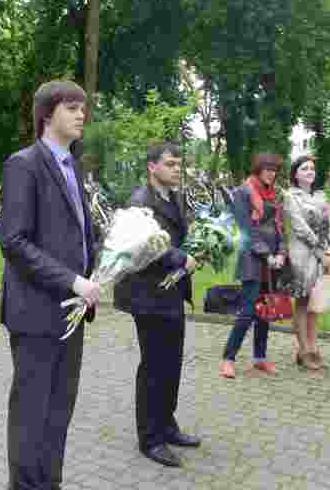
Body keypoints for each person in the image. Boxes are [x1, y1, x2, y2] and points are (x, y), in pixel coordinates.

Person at [0, 79, 99, 490]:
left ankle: (49, 483)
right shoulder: (24, 164)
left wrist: (103, 266)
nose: (81, 114)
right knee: (31, 414)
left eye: (82, 108)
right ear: (46, 114)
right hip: (36, 312)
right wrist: (73, 280)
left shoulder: (74, 166)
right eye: (71, 107)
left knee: (59, 411)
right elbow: (13, 241)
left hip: (71, 314)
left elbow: (76, 233)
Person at [112, 142, 201, 468]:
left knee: (171, 363)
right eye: (170, 164)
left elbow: (177, 237)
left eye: (179, 164)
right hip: (147, 295)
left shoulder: (172, 197)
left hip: (171, 292)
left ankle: (167, 424)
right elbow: (147, 244)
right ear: (152, 167)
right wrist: (181, 258)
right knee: (154, 367)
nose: (177, 169)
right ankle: (150, 438)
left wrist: (200, 247)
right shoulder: (140, 202)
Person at [219, 153, 286, 378]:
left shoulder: (274, 193)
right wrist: (267, 255)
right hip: (252, 258)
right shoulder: (243, 192)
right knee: (247, 311)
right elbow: (246, 229)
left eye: (274, 170)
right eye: (268, 169)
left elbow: (279, 226)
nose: (271, 174)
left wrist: (281, 252)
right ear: (258, 169)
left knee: (265, 311)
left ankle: (259, 358)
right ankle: (228, 359)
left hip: (272, 260)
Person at [284, 155, 330, 371]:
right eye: (304, 168)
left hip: (324, 254)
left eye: (312, 168)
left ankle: (314, 347)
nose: (309, 171)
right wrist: (320, 251)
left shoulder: (321, 196)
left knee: (317, 302)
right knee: (303, 302)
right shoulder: (291, 196)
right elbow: (300, 228)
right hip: (302, 256)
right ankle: (304, 349)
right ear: (295, 174)